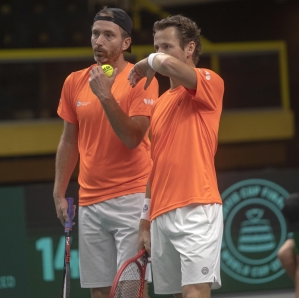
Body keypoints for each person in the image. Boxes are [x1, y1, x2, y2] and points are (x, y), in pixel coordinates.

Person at [53, 7, 159, 298]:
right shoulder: (74, 81)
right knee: (99, 292)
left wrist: (105, 94)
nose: (98, 41)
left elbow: (133, 137)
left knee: (129, 290)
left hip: (132, 198)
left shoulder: (143, 79)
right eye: (95, 33)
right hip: (89, 202)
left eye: (108, 35)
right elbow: (68, 141)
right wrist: (59, 191)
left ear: (125, 43)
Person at [128, 15, 225, 298]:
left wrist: (147, 61)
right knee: (174, 294)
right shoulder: (158, 106)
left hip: (197, 206)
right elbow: (154, 167)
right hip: (160, 215)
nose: (160, 52)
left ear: (190, 48)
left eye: (167, 46)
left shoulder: (209, 82)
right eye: (156, 46)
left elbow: (166, 65)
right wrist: (145, 222)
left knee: (194, 290)